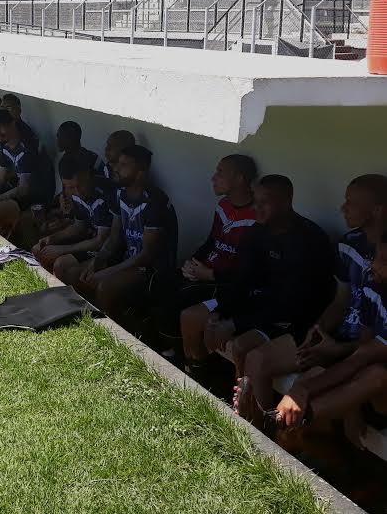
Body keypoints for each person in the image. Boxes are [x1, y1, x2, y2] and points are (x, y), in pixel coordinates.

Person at [234, 175, 387, 423]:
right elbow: (340, 300)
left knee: (318, 383)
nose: (343, 208)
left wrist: (335, 351)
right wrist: (319, 330)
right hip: (340, 339)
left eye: (351, 203)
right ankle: (254, 432)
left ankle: (278, 432)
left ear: (377, 209)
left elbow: (368, 350)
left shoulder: (382, 261)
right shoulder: (350, 244)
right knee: (257, 359)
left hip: (361, 352)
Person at [182, 175, 335, 379]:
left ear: (285, 202)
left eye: (265, 203)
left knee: (241, 346)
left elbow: (292, 304)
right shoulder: (258, 230)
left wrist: (235, 323)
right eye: (255, 201)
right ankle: (197, 378)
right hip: (259, 301)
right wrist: (219, 313)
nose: (256, 207)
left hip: (293, 317)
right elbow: (243, 278)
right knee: (191, 317)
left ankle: (243, 405)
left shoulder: (308, 240)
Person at [274, 231, 387, 449]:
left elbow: (364, 358)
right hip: (370, 385)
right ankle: (289, 428)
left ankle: (289, 424)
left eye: (384, 261)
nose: (374, 267)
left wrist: (304, 390)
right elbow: (360, 350)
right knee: (320, 373)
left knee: (377, 375)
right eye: (376, 257)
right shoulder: (376, 288)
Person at [152, 154, 257, 362]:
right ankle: (166, 346)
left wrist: (211, 274)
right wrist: (191, 263)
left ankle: (183, 359)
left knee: (177, 300)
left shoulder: (256, 216)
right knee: (160, 280)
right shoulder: (224, 206)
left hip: (224, 283)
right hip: (206, 271)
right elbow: (211, 241)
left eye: (220, 173)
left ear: (239, 179)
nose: (213, 178)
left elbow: (248, 271)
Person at [57, 145, 178, 320]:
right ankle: (85, 320)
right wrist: (97, 262)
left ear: (140, 171)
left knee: (104, 286)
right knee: (74, 274)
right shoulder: (120, 194)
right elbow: (114, 237)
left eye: (124, 165)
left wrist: (108, 271)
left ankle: (114, 333)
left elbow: (147, 255)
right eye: (117, 164)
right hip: (127, 259)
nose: (116, 168)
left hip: (151, 269)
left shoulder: (154, 201)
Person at [32, 157, 112, 273]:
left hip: (105, 247)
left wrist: (63, 250)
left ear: (88, 176)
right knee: (38, 249)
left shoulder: (104, 195)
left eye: (79, 185)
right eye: (70, 187)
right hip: (89, 237)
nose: (78, 192)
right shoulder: (74, 193)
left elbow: (100, 240)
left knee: (61, 265)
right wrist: (54, 238)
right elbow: (79, 226)